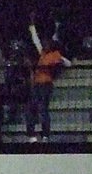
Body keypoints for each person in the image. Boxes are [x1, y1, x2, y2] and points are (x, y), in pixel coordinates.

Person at [25, 14, 71, 142]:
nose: (44, 44)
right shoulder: (42, 54)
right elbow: (35, 40)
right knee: (32, 108)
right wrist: (32, 24)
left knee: (43, 109)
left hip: (45, 84)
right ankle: (32, 135)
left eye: (47, 43)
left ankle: (45, 135)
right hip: (37, 84)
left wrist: (57, 63)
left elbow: (67, 63)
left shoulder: (55, 55)